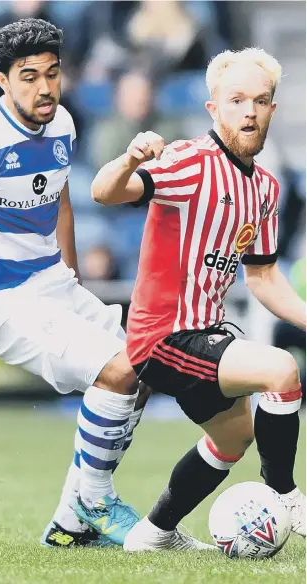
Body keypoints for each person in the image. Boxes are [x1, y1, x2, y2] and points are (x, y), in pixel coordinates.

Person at [91, 48, 306, 551]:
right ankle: (286, 495)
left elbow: (264, 279)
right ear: (214, 108)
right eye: (236, 100)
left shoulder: (265, 189)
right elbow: (104, 193)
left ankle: (153, 533)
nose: (249, 111)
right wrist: (129, 159)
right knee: (281, 371)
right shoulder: (190, 163)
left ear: (273, 109)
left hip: (205, 335)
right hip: (163, 334)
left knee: (234, 439)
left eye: (260, 100)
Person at [0, 17, 148, 549]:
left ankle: (71, 520)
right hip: (3, 302)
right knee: (117, 371)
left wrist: (70, 279)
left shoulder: (64, 125)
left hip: (55, 284)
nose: (44, 87)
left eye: (52, 74)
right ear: (3, 81)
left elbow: (61, 200)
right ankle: (97, 502)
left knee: (142, 367)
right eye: (28, 77)